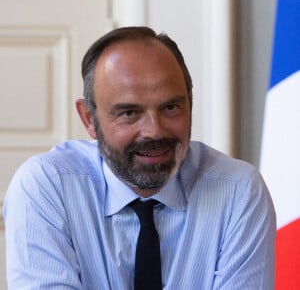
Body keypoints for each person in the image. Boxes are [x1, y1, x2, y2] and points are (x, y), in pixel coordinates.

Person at [3, 26, 276, 289]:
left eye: (171, 107)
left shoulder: (238, 190)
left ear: (190, 103)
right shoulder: (46, 186)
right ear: (89, 118)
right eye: (129, 113)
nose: (153, 131)